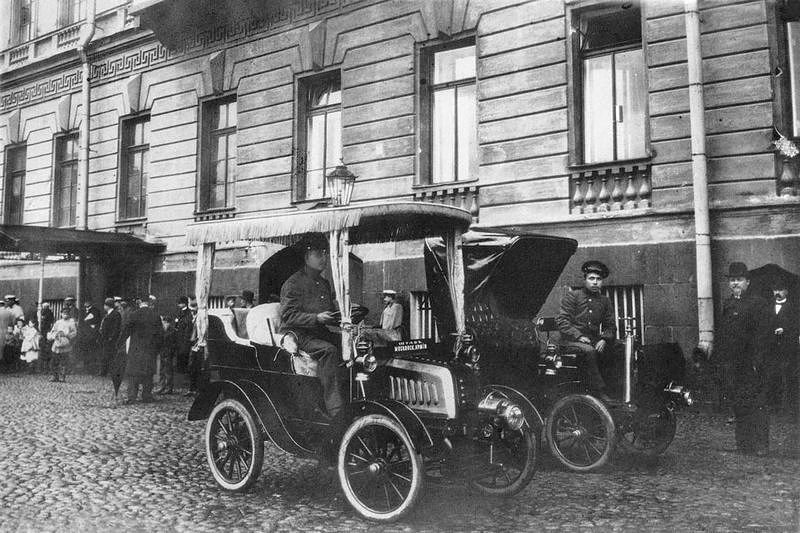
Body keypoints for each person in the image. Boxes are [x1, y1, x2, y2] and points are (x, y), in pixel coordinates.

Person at [280, 235, 343, 420]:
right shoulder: (293, 283)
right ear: (307, 257)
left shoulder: (324, 283)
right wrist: (317, 318)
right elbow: (289, 316)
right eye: (318, 254)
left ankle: (352, 396)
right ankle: (334, 409)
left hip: (319, 333)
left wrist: (341, 315)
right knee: (329, 351)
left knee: (355, 346)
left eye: (325, 253)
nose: (323, 258)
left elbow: (328, 314)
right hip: (300, 335)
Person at [713, 262, 771, 455]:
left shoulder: (757, 303)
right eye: (732, 280)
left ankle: (761, 445)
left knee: (757, 404)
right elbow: (724, 333)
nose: (735, 283)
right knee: (739, 403)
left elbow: (762, 335)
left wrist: (758, 360)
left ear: (747, 281)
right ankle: (744, 444)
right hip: (734, 363)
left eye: (738, 280)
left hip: (752, 363)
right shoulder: (728, 304)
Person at [556, 260, 616, 403]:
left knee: (619, 347)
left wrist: (604, 339)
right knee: (589, 351)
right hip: (570, 341)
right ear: (585, 280)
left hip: (593, 340)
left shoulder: (605, 301)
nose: (595, 282)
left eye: (599, 279)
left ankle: (616, 388)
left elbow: (610, 325)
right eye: (591, 278)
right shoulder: (573, 296)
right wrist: (579, 335)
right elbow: (562, 321)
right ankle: (599, 391)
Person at [118, 298, 163, 404]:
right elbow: (160, 335)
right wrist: (157, 349)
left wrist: (119, 344)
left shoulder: (134, 315)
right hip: (150, 350)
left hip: (136, 349)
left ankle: (132, 397)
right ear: (149, 303)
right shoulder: (155, 316)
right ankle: (147, 396)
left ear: (139, 302)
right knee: (148, 373)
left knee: (133, 373)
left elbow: (126, 331)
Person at [765, 276, 799, 413]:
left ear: (786, 292)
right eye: (775, 290)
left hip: (788, 347)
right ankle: (775, 405)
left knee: (790, 375)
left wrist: (785, 330)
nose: (777, 293)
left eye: (780, 290)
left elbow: (797, 327)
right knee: (773, 375)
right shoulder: (768, 306)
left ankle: (790, 407)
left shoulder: (794, 308)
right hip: (772, 347)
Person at [47, 308, 77, 382]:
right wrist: (55, 335)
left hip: (65, 343)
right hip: (57, 343)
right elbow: (53, 331)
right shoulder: (58, 322)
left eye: (67, 313)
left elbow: (74, 333)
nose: (65, 315)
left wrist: (67, 334)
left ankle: (62, 377)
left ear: (69, 314)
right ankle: (55, 376)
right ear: (61, 314)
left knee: (64, 362)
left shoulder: (71, 323)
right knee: (54, 361)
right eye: (63, 313)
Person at [97, 298, 122, 377]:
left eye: (105, 305)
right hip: (105, 338)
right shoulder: (107, 314)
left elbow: (116, 327)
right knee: (104, 355)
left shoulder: (116, 314)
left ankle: (111, 372)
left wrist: (112, 337)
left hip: (110, 339)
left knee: (110, 355)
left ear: (107, 306)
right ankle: (103, 372)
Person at [156, 314, 177, 395]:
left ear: (168, 323)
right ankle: (162, 386)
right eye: (163, 322)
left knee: (168, 371)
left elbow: (174, 344)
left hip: (168, 353)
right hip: (162, 352)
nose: (164, 324)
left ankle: (169, 388)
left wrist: (171, 352)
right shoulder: (161, 331)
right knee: (161, 370)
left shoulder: (173, 331)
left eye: (165, 322)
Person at [79, 300, 102, 373]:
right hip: (84, 334)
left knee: (92, 351)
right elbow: (81, 322)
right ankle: (86, 367)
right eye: (85, 302)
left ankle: (92, 368)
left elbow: (97, 321)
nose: (86, 303)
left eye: (88, 302)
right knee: (85, 350)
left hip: (92, 334)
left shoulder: (95, 311)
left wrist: (92, 328)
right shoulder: (82, 311)